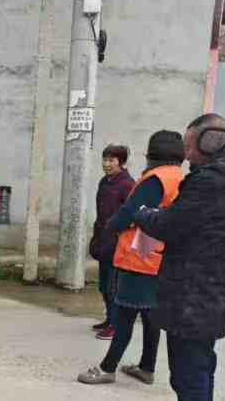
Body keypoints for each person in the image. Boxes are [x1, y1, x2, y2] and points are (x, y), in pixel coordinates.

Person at [134, 114, 225, 401]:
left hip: (193, 297)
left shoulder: (211, 181)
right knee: (201, 367)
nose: (187, 154)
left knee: (188, 376)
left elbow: (170, 225)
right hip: (215, 291)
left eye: (190, 146)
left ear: (210, 142)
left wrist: (143, 214)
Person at [78, 130, 185, 385]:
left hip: (140, 256)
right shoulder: (178, 177)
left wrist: (111, 227)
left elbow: (129, 212)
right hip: (160, 255)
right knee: (150, 315)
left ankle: (107, 368)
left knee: (124, 313)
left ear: (151, 154)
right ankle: (147, 367)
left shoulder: (155, 179)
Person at [89, 144, 135, 340]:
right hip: (103, 240)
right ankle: (109, 319)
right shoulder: (104, 182)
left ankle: (115, 326)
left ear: (121, 162)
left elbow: (132, 214)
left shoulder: (127, 184)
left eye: (111, 160)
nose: (106, 164)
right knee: (103, 285)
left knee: (113, 286)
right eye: (105, 159)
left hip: (117, 243)